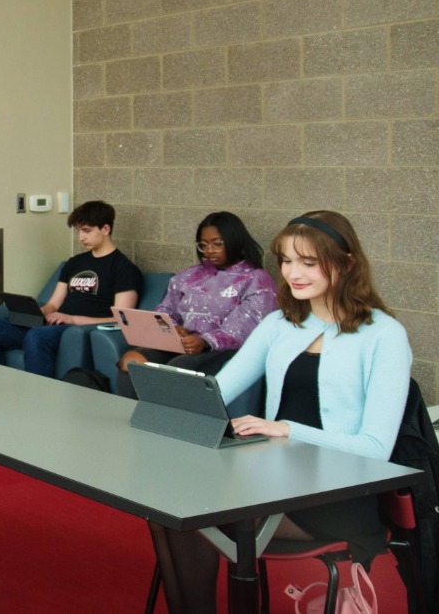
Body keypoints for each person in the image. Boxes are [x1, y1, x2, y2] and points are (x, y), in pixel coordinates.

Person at [149, 211, 413, 614]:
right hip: (272, 479)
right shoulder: (280, 323)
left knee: (191, 514)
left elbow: (375, 448)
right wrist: (159, 386)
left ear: (347, 263)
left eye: (308, 262)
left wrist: (286, 429)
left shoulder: (383, 334)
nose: (293, 273)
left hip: (337, 494)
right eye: (287, 261)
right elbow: (217, 390)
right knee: (165, 506)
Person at [114, 211, 276, 399]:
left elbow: (244, 329)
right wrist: (173, 328)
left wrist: (205, 341)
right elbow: (166, 310)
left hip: (222, 350)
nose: (209, 251)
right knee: (131, 361)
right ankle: (134, 417)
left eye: (217, 244)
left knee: (178, 368)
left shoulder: (255, 279)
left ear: (235, 241)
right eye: (204, 244)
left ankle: (168, 424)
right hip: (182, 344)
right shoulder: (190, 275)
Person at [0, 200, 143, 377]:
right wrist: (40, 312)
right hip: (53, 324)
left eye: (87, 231)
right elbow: (54, 304)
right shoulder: (75, 262)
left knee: (37, 336)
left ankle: (39, 399)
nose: (81, 238)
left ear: (105, 229)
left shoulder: (124, 269)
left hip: (74, 329)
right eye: (78, 231)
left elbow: (121, 319)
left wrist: (72, 319)